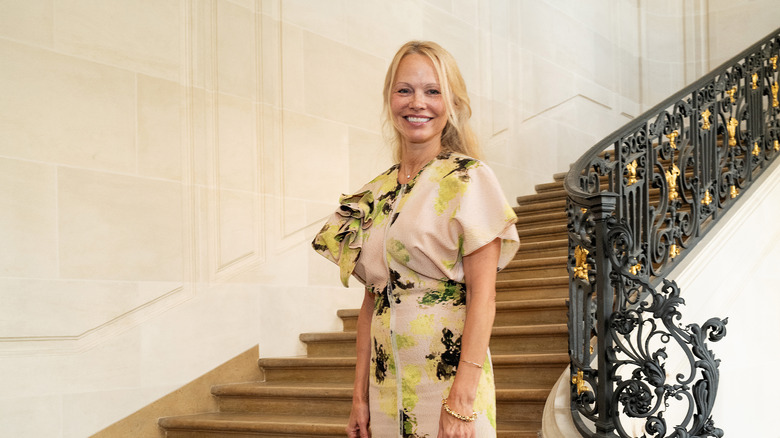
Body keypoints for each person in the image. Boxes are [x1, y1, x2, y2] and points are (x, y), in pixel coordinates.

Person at [312, 41, 520, 438]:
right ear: (390, 99)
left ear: (452, 103)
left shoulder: (468, 179)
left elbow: (484, 296)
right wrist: (359, 397)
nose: (417, 103)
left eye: (432, 91)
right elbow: (372, 300)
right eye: (404, 90)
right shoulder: (374, 194)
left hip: (446, 384)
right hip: (384, 385)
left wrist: (461, 399)